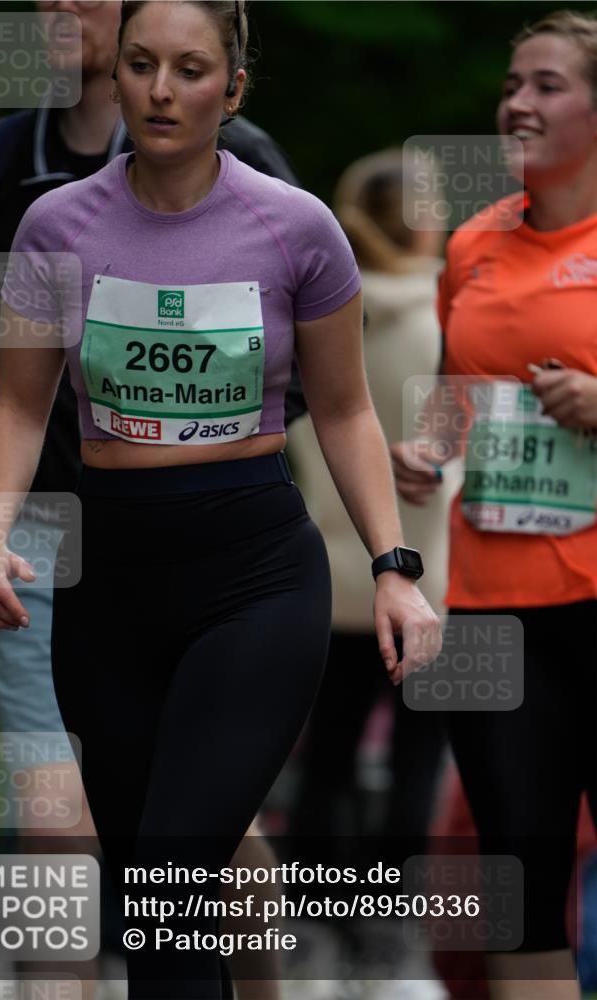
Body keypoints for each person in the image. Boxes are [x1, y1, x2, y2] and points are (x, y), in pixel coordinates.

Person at [0, 2, 441, 997]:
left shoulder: (294, 226)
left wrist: (396, 571)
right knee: (153, 900)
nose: (162, 90)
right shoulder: (56, 223)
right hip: (110, 587)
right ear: (119, 75)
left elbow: (347, 412)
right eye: (141, 65)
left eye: (190, 68)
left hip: (254, 578)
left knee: (177, 877)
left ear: (234, 86)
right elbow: (17, 402)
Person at [392, 11, 597, 999]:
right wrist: (426, 446)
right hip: (487, 611)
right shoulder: (472, 239)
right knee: (515, 893)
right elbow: (450, 384)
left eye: (547, 84)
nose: (517, 103)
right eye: (511, 84)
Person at [287, 149, 460, 996]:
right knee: (417, 762)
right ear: (422, 221)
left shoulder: (323, 309)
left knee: (324, 758)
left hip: (332, 573)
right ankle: (385, 942)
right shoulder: (447, 315)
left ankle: (312, 935)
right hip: (431, 581)